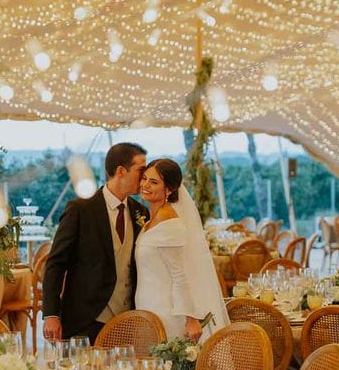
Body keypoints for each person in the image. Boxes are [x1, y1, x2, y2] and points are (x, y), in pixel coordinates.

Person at [42, 142, 147, 342]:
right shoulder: (80, 209)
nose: (145, 177)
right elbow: (56, 264)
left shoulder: (140, 212)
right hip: (85, 318)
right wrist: (51, 315)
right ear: (121, 171)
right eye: (141, 169)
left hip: (126, 320)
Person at [134, 157, 229, 341]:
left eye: (153, 182)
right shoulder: (153, 218)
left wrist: (190, 318)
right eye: (144, 178)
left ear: (169, 189)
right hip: (147, 305)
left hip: (166, 310)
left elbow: (180, 275)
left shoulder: (169, 221)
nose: (145, 184)